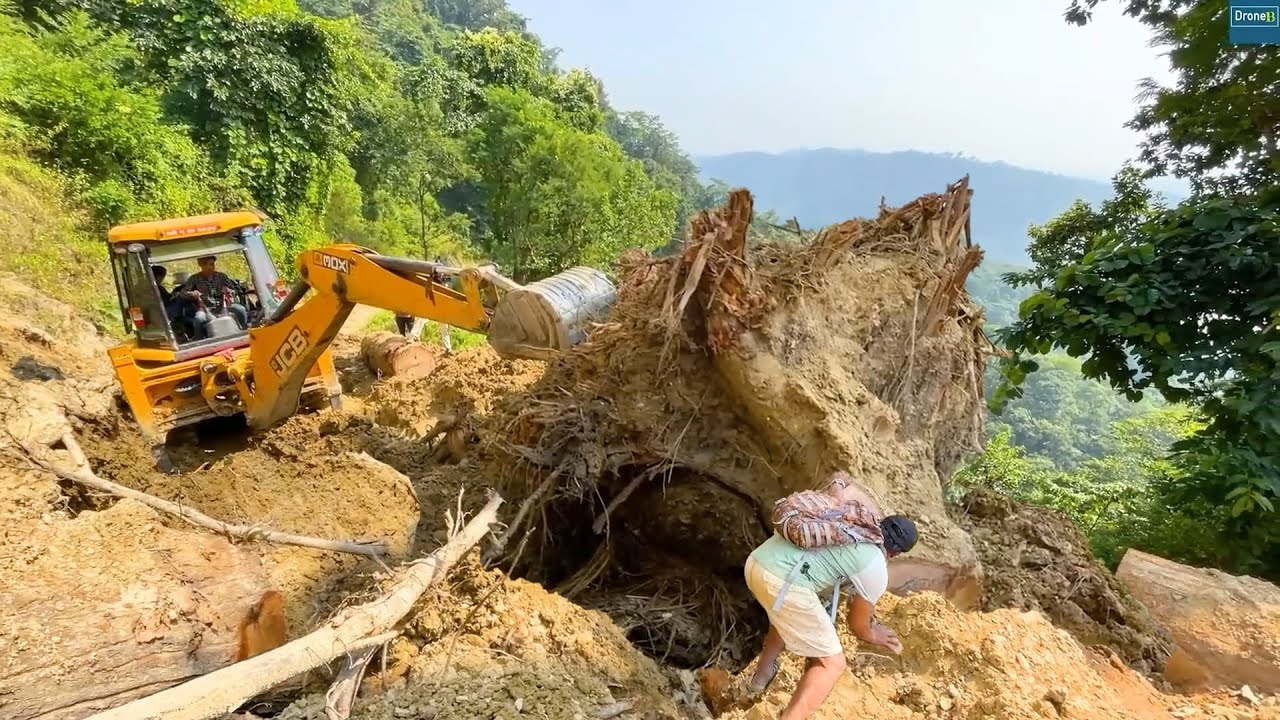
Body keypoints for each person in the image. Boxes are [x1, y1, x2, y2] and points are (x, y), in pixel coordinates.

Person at [743, 473, 918, 719]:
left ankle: (761, 677)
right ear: (897, 553)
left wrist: (840, 482)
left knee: (788, 616)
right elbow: (858, 626)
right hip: (781, 582)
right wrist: (875, 634)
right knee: (832, 664)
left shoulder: (853, 519)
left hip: (757, 563)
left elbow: (836, 491)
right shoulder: (875, 566)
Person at [177, 255, 249, 334]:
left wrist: (228, 291)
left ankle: (244, 330)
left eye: (211, 264)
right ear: (200, 265)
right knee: (199, 319)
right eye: (205, 264)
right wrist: (193, 293)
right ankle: (199, 339)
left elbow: (233, 290)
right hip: (205, 308)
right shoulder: (194, 278)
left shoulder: (222, 276)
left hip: (224, 305)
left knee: (240, 309)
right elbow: (182, 293)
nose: (209, 267)